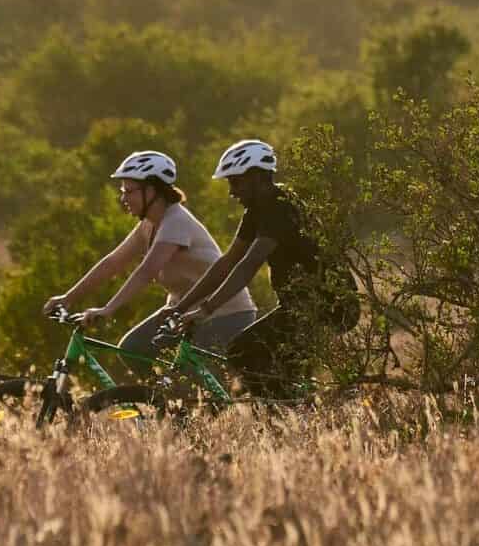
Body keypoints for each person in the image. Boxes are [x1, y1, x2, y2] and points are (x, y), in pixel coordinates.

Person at [169, 139, 360, 397]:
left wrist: (206, 309)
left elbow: (248, 265)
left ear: (257, 177)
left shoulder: (281, 207)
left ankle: (286, 416)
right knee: (264, 365)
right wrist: (181, 307)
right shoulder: (257, 210)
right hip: (300, 305)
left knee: (244, 351)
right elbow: (228, 261)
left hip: (327, 306)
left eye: (235, 182)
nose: (231, 192)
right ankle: (288, 413)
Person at [45, 150, 259, 359]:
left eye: (129, 191)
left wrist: (109, 309)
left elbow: (146, 271)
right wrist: (68, 298)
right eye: (123, 191)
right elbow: (112, 263)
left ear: (153, 190)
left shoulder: (176, 221)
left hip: (225, 314)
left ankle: (180, 395)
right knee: (133, 349)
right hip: (181, 312)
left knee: (184, 379)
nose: (123, 198)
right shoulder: (149, 224)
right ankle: (154, 395)